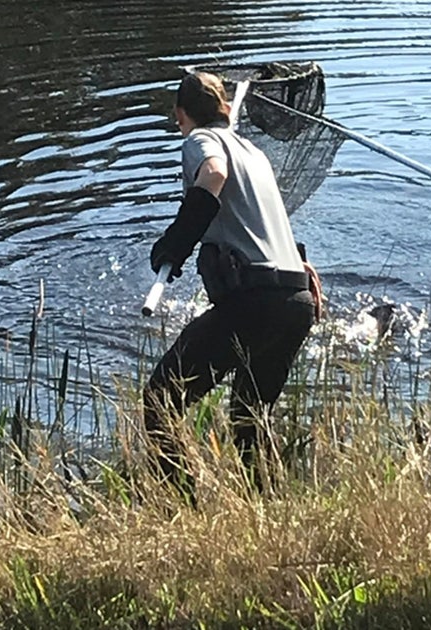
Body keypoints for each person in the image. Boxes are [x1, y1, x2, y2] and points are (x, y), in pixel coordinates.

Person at [143, 71, 322, 493]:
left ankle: (183, 509)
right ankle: (266, 511)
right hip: (296, 299)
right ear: (227, 108)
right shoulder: (256, 154)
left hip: (255, 300)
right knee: (249, 418)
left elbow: (214, 174)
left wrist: (177, 242)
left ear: (180, 115)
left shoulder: (201, 140)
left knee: (159, 403)